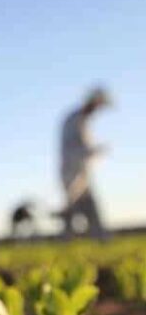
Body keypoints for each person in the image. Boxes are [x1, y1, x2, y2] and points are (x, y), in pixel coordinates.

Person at [59, 88, 111, 241]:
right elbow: (72, 149)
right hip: (72, 173)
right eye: (98, 106)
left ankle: (100, 240)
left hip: (82, 174)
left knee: (89, 209)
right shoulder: (74, 120)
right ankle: (67, 242)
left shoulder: (83, 120)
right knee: (73, 210)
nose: (98, 110)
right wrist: (94, 150)